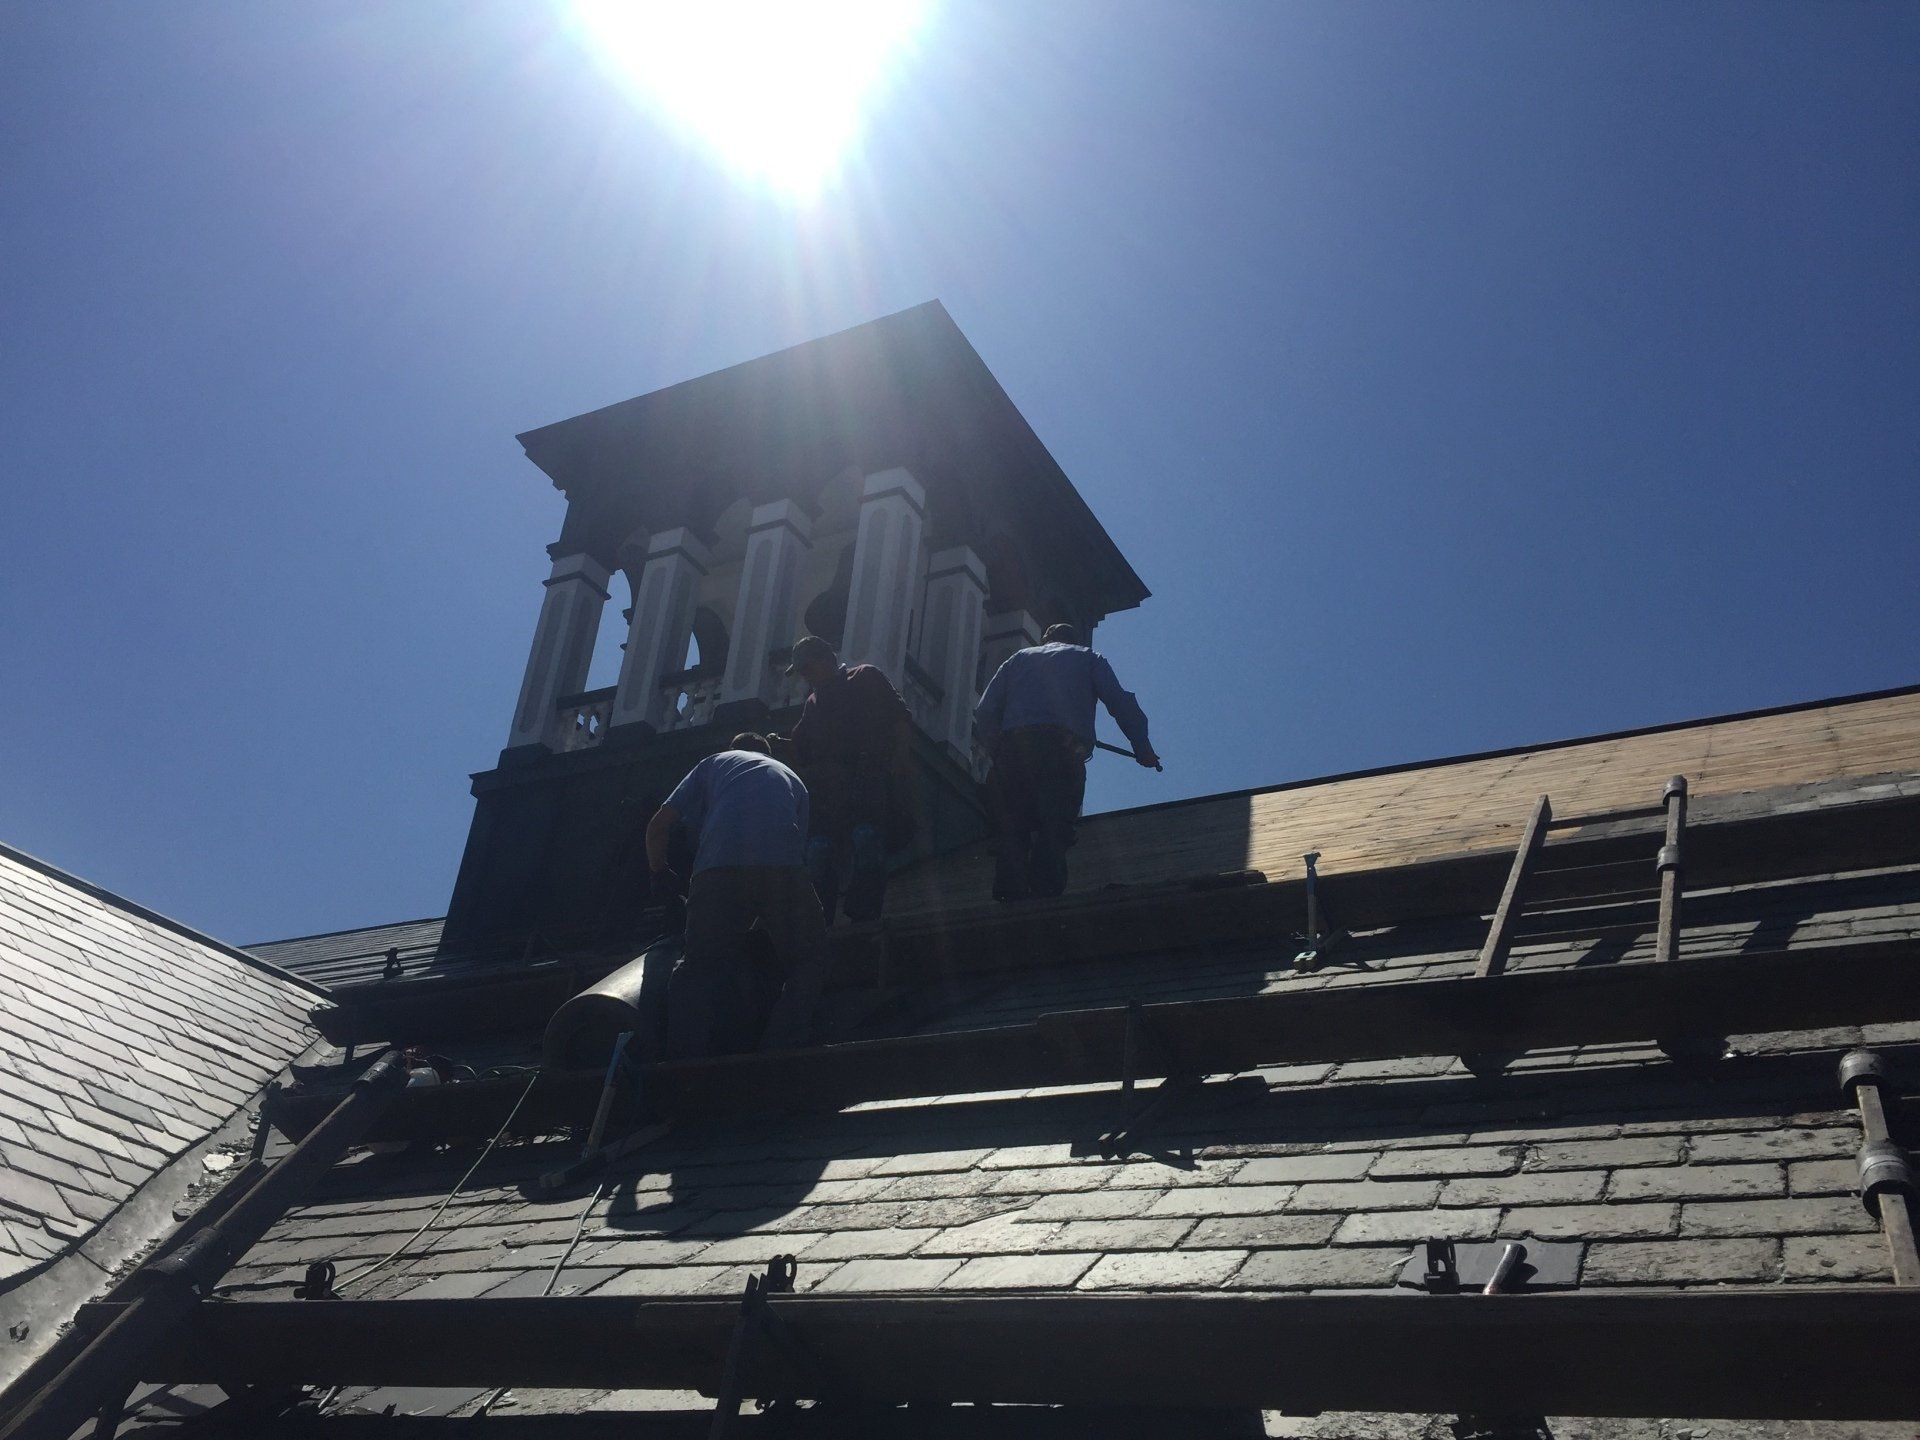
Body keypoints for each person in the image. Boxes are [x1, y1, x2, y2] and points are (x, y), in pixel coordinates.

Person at [644, 734, 829, 1057]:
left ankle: (682, 1057)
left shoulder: (713, 763)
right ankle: (782, 1044)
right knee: (809, 958)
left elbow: (659, 826)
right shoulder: (793, 779)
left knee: (699, 967)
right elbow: (796, 852)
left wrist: (659, 871)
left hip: (716, 869)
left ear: (734, 750)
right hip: (782, 869)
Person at [974, 623, 1161, 902]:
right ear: (1074, 640)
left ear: (1045, 639)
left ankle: (1008, 897)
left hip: (1015, 752)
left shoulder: (1018, 660)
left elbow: (986, 711)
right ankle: (1045, 896)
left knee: (1012, 827)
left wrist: (997, 751)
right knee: (1055, 824)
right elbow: (1120, 703)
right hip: (1062, 751)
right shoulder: (1089, 658)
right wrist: (1142, 748)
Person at [774, 635, 912, 924]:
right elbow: (802, 744)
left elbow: (899, 719)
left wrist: (898, 763)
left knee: (867, 841)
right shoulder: (813, 702)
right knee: (818, 851)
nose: (804, 676)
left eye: (807, 668)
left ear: (826, 661)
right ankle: (817, 921)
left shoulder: (865, 677)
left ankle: (864, 913)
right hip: (828, 792)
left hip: (867, 778)